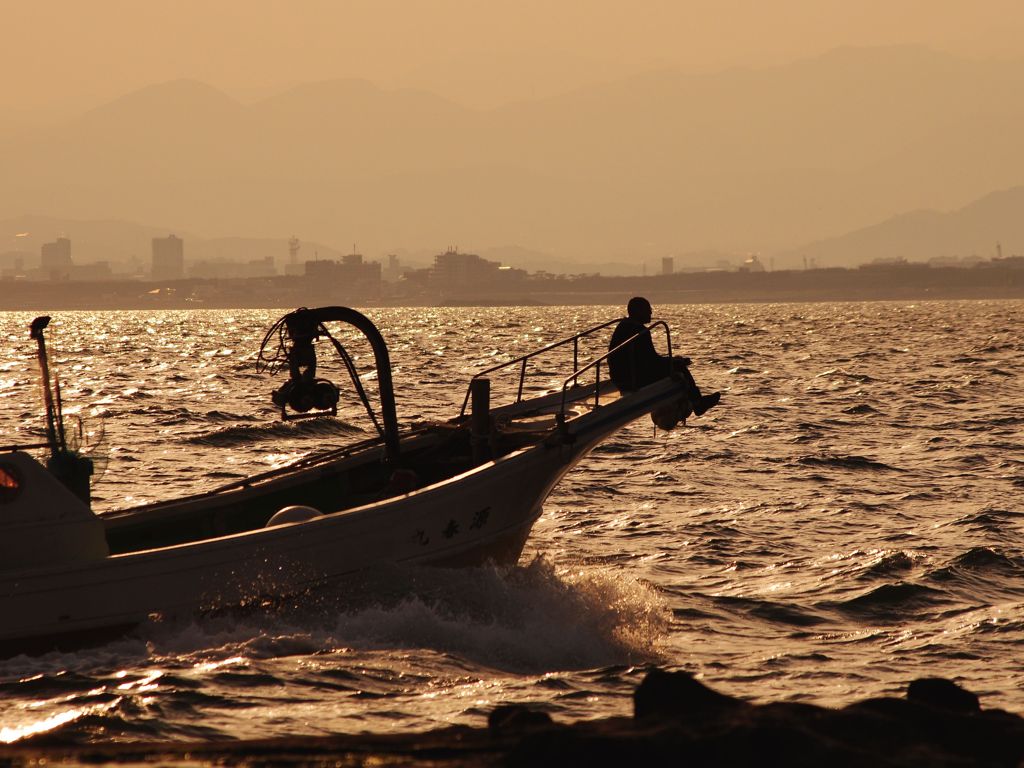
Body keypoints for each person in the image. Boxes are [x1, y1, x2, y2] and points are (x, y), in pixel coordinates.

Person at [608, 297, 720, 419]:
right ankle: (698, 404)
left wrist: (670, 360)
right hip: (633, 379)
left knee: (675, 363)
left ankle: (696, 402)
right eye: (648, 309)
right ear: (638, 311)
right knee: (679, 367)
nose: (651, 312)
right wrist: (674, 361)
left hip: (620, 377)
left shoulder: (623, 326)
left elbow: (645, 359)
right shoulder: (639, 331)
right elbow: (650, 361)